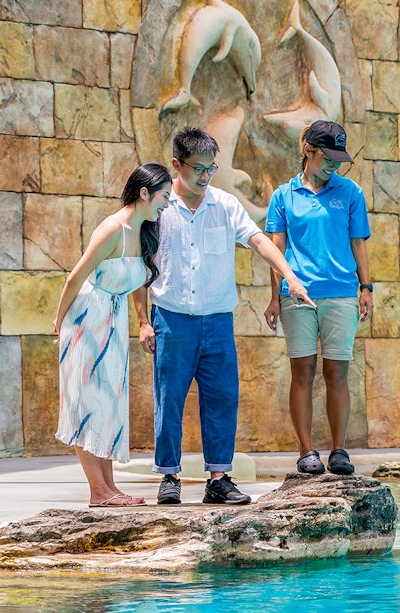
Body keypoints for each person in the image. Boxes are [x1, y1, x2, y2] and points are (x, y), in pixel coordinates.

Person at [133, 126, 315, 505]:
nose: (204, 176)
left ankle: (219, 478)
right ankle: (169, 476)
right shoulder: (160, 210)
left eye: (211, 168)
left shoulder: (226, 205)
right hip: (172, 317)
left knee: (222, 398)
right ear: (176, 165)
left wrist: (290, 277)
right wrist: (143, 321)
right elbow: (140, 267)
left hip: (217, 320)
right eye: (198, 168)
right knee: (170, 400)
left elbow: (259, 240)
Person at [54, 162, 174, 507]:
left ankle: (109, 487)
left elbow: (138, 282)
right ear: (144, 193)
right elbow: (74, 277)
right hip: (88, 318)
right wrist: (59, 323)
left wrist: (141, 321)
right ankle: (98, 491)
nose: (166, 204)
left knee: (108, 403)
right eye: (163, 197)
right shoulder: (111, 228)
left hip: (114, 321)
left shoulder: (143, 232)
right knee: (86, 401)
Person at [263, 120, 372, 475]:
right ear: (308, 151)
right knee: (303, 372)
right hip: (298, 296)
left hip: (341, 294)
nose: (334, 165)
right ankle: (306, 451)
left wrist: (366, 286)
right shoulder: (283, 196)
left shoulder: (351, 192)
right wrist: (274, 297)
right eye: (328, 157)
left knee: (337, 372)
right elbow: (276, 250)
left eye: (339, 159)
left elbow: (358, 242)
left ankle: (339, 450)